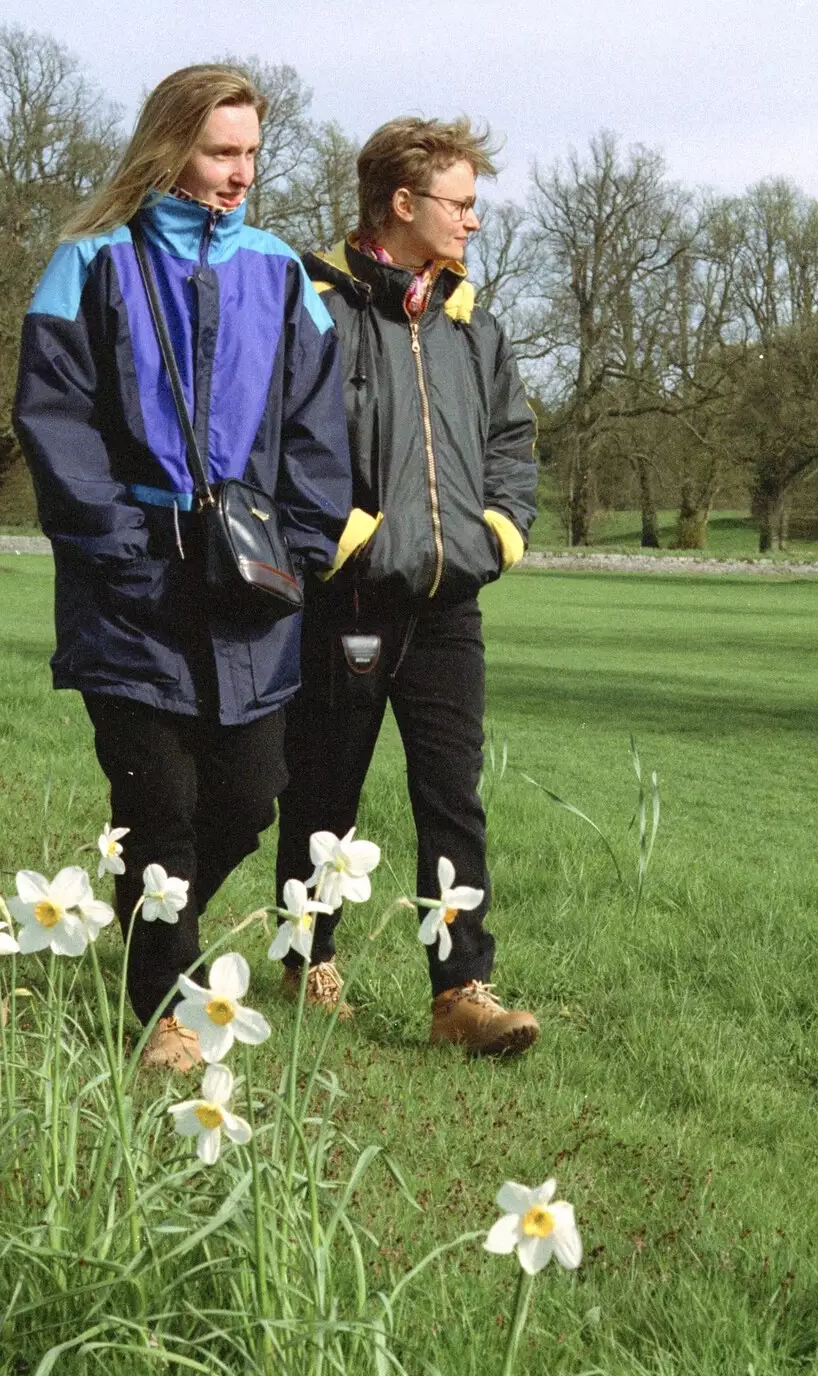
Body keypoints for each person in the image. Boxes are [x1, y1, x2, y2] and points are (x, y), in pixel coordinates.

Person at [14, 65, 351, 1072]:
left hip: (251, 597)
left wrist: (288, 551)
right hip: (130, 596)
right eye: (219, 151)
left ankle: (154, 919)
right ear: (169, 147)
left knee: (249, 795)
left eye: (250, 152)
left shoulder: (285, 276)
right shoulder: (90, 265)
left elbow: (317, 439)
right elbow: (56, 425)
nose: (239, 172)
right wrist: (125, 554)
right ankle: (167, 1003)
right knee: (156, 799)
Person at [274, 117, 540, 1057]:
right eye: (459, 204)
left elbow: (511, 441)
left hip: (450, 602)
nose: (472, 221)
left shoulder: (474, 325)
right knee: (323, 794)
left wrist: (498, 532)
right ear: (402, 203)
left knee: (451, 797)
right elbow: (271, 443)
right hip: (349, 596)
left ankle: (460, 990)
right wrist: (342, 539)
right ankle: (305, 960)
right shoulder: (310, 305)